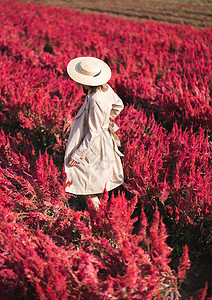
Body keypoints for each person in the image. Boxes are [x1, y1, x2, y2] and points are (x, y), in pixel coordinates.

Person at [64, 57, 124, 209]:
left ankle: (99, 218)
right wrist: (106, 119)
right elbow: (119, 105)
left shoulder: (95, 99)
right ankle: (102, 216)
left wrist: (78, 155)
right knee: (91, 182)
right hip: (102, 140)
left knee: (84, 181)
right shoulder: (106, 89)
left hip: (95, 145)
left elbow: (94, 132)